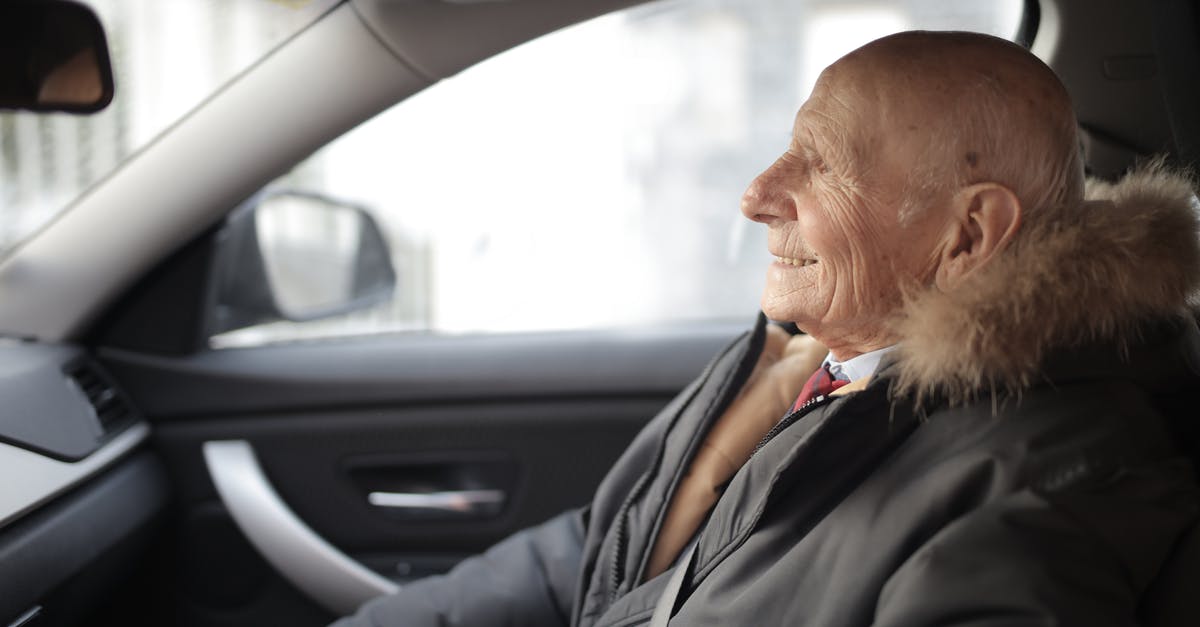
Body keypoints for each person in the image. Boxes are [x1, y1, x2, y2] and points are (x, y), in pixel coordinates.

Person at [332, 30, 1200, 627]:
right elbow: (597, 559)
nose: (754, 194)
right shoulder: (806, 361)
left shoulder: (1055, 479)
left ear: (967, 235)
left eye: (821, 165)